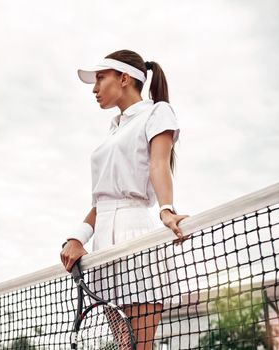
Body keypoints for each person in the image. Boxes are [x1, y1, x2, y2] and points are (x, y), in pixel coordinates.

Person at [59, 49, 189, 350]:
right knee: (124, 348)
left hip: (136, 238)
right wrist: (77, 238)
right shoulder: (113, 128)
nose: (94, 88)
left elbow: (159, 165)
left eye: (100, 79)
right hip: (104, 245)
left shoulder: (158, 112)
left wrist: (167, 210)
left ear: (124, 77)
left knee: (138, 348)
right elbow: (101, 200)